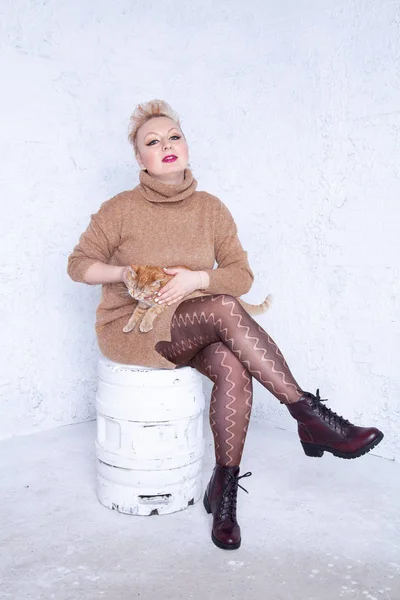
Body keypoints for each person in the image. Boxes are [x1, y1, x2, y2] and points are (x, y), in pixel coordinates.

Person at [67, 99, 384, 551]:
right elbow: (78, 265)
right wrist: (127, 274)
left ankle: (224, 491)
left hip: (196, 326)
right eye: (152, 142)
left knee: (234, 364)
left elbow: (240, 274)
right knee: (223, 308)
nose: (166, 145)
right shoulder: (120, 208)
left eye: (174, 136)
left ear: (187, 145)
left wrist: (197, 278)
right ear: (141, 159)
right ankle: (309, 417)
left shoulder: (211, 209)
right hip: (133, 329)